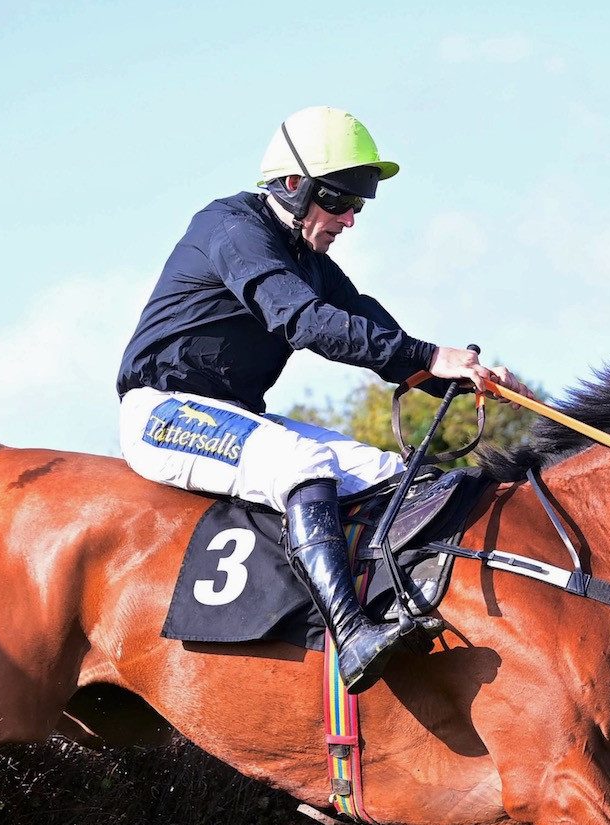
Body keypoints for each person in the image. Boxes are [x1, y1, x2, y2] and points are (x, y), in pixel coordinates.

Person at [114, 106, 530, 693]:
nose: (350, 219)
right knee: (305, 465)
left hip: (232, 417)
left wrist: (462, 377)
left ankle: (401, 615)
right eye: (339, 201)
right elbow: (304, 322)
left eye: (359, 205)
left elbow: (369, 324)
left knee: (393, 474)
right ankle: (352, 635)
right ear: (292, 185)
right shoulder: (230, 229)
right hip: (163, 413)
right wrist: (429, 356)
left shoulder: (310, 259)